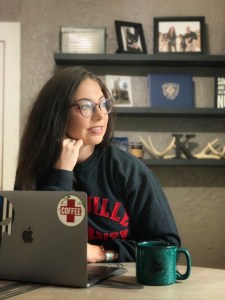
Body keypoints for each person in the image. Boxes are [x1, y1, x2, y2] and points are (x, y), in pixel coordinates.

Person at [14, 66, 181, 263]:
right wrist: (61, 174)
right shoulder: (35, 169)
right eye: (86, 106)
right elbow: (34, 244)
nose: (100, 115)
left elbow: (169, 247)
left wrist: (101, 253)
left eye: (104, 104)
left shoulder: (131, 172)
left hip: (119, 285)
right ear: (57, 114)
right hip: (51, 283)